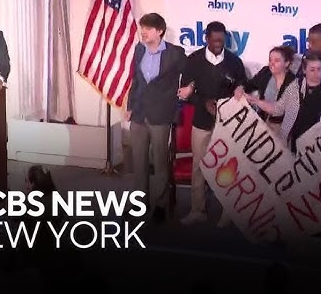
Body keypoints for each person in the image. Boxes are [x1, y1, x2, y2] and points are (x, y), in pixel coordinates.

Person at [177, 21, 247, 227]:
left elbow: (242, 84)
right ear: (206, 38)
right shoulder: (193, 60)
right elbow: (185, 92)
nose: (218, 44)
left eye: (221, 40)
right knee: (198, 166)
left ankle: (228, 213)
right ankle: (197, 210)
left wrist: (240, 88)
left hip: (228, 123)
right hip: (201, 121)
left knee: (228, 167)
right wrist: (203, 102)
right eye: (214, 40)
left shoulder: (234, 62)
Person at [125, 13, 186, 223]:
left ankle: (161, 204)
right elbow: (136, 80)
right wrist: (130, 106)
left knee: (160, 161)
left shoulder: (175, 54)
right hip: (139, 113)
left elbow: (189, 74)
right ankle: (140, 201)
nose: (143, 32)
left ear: (159, 31)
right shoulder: (139, 49)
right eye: (142, 28)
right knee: (139, 160)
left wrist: (190, 87)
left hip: (161, 114)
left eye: (148, 29)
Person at [247, 52, 321, 153]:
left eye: (319, 69)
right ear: (304, 69)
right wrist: (255, 100)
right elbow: (277, 109)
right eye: (312, 69)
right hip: (296, 144)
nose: (316, 73)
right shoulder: (294, 87)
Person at [234, 46, 297, 134]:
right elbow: (249, 84)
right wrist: (241, 87)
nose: (272, 64)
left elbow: (280, 110)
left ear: (286, 63)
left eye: (277, 61)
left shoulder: (293, 83)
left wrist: (255, 101)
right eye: (270, 60)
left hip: (282, 127)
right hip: (263, 121)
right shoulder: (265, 72)